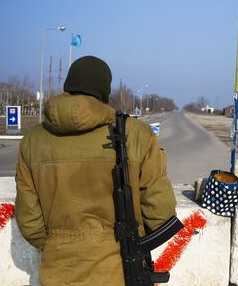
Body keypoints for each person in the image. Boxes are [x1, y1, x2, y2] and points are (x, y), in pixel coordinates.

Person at [15, 55, 177, 285]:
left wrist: (59, 244)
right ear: (104, 89)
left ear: (68, 85)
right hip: (119, 272)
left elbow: (28, 218)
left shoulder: (33, 139)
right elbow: (160, 213)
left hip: (58, 271)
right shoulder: (137, 133)